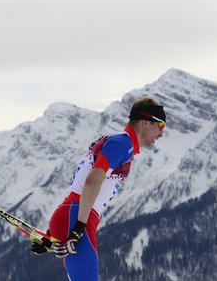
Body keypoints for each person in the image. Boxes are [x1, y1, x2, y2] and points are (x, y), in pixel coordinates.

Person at [31, 95, 166, 280]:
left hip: (72, 214)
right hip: (78, 218)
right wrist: (78, 228)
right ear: (145, 122)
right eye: (160, 126)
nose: (161, 133)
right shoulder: (123, 143)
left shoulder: (118, 142)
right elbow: (92, 181)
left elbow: (79, 185)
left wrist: (54, 233)